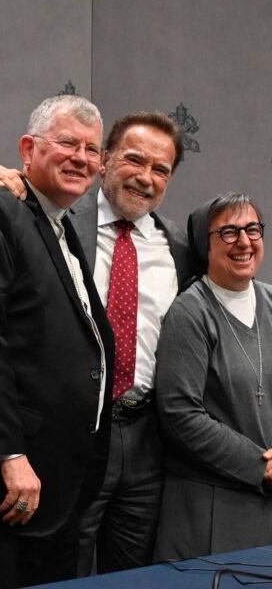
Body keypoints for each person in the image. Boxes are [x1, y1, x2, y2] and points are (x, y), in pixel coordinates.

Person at [0, 111, 194, 573]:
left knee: (133, 575)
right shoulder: (54, 215)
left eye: (161, 169)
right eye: (135, 160)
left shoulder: (178, 246)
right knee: (62, 566)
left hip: (146, 440)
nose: (146, 177)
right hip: (70, 435)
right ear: (106, 159)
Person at [0, 94, 115, 588]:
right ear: (28, 149)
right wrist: (9, 454)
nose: (81, 158)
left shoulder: (57, 223)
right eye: (68, 143)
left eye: (92, 150)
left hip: (55, 489)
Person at [154, 193, 272, 560]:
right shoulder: (190, 312)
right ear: (205, 244)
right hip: (211, 507)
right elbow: (180, 414)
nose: (244, 242)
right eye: (229, 232)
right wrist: (260, 466)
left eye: (252, 229)